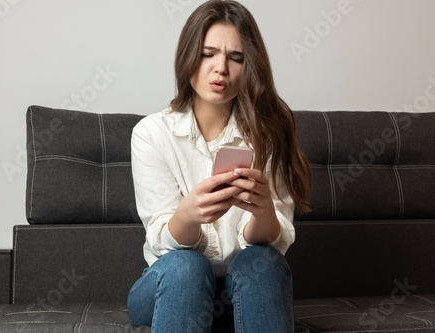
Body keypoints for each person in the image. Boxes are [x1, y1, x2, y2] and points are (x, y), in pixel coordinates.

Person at [127, 1, 310, 332]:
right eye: (208, 54)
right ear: (188, 57)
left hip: (245, 291)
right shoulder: (151, 134)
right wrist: (187, 215)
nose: (220, 68)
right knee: (186, 266)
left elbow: (274, 240)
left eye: (235, 58)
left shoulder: (270, 134)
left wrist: (264, 211)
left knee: (263, 261)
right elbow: (159, 240)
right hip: (168, 287)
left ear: (249, 66)